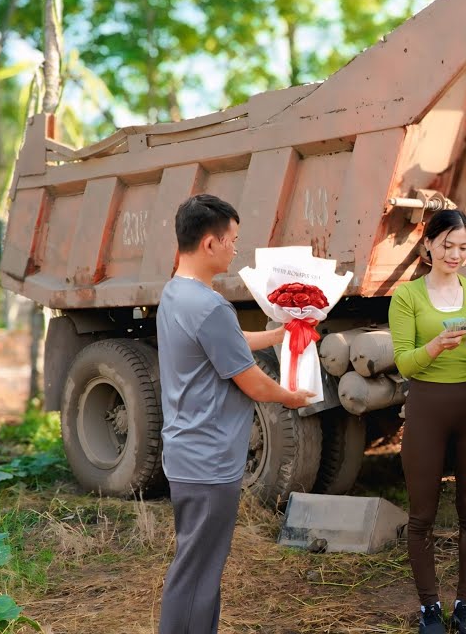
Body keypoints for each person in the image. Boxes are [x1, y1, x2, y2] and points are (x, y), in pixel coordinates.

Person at [156, 194, 311, 634]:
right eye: (232, 240)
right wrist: (291, 397)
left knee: (195, 567)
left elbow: (228, 339)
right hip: (209, 461)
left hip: (189, 453)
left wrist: (279, 334)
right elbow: (252, 382)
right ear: (209, 244)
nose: (235, 249)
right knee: (198, 574)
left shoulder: (177, 292)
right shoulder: (209, 306)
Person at [390, 209, 466, 634]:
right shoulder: (408, 297)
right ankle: (429, 608)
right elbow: (405, 364)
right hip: (426, 406)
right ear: (428, 247)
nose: (456, 254)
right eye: (447, 246)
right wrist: (436, 345)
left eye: (464, 247)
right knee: (422, 514)